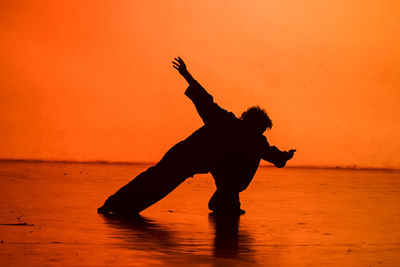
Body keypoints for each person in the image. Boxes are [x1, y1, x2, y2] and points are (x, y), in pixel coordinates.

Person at [98, 57, 295, 215]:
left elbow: (270, 153)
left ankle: (226, 202)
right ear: (249, 123)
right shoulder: (225, 122)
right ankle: (114, 203)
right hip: (186, 155)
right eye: (258, 129)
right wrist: (186, 75)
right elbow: (204, 100)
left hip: (210, 163)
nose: (258, 134)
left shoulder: (255, 141)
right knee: (157, 181)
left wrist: (284, 156)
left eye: (260, 132)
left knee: (248, 159)